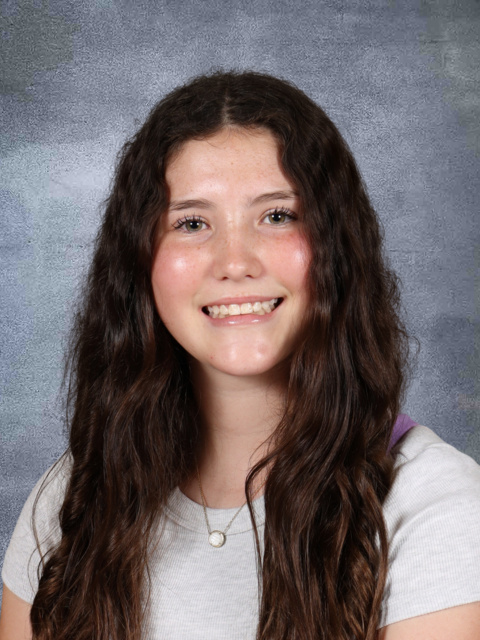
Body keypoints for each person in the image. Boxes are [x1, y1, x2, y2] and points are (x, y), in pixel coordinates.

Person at [1, 70, 479, 640]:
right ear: (139, 261)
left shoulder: (436, 505)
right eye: (192, 223)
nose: (235, 261)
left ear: (337, 245)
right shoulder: (72, 496)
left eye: (277, 216)